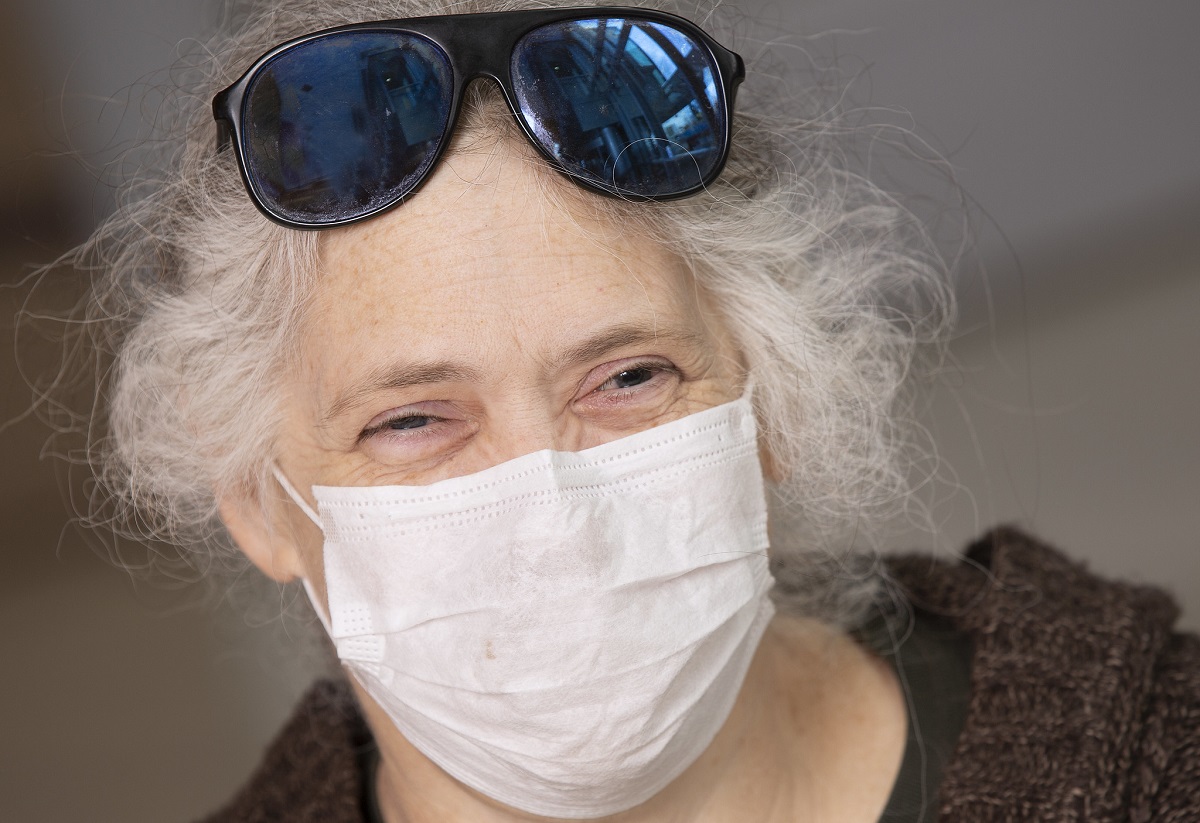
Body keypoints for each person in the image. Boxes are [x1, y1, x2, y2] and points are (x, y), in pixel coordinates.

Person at [67, 0, 1198, 820]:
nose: (551, 514)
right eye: (412, 420)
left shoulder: (1160, 757)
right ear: (259, 500)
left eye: (630, 378)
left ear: (772, 397)